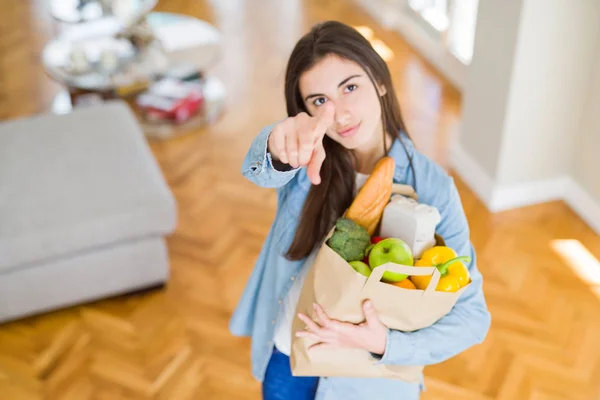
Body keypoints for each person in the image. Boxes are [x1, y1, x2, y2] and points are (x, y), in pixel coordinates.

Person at [229, 20, 491, 400]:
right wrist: (276, 145)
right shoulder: (307, 163)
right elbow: (263, 168)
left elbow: (472, 318)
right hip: (287, 355)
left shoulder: (432, 189)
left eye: (349, 87)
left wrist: (384, 343)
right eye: (319, 100)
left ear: (380, 81)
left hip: (366, 379)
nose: (339, 114)